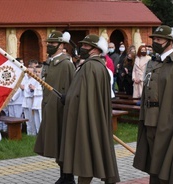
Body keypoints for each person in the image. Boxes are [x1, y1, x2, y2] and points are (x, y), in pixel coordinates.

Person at [133, 25, 173, 184]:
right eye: (154, 39)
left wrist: (172, 124)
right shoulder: (155, 62)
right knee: (155, 162)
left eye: (159, 39)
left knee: (167, 163)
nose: (155, 42)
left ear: (171, 42)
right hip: (150, 120)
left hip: (167, 122)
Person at [59, 34, 120, 184]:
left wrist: (68, 98)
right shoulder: (97, 65)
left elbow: (82, 95)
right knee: (97, 151)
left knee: (85, 154)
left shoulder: (90, 66)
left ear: (95, 49)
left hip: (86, 118)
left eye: (86, 46)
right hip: (92, 115)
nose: (83, 48)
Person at [34, 31, 75, 184]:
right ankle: (63, 174)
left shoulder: (66, 64)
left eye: (52, 44)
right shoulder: (50, 63)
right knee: (56, 142)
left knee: (63, 142)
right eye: (48, 43)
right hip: (50, 107)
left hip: (61, 110)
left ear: (61, 45)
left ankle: (68, 176)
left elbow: (71, 87)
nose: (49, 46)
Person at [31, 64, 43, 134]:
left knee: (41, 119)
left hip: (41, 102)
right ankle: (38, 133)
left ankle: (42, 133)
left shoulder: (44, 80)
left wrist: (34, 89)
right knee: (36, 119)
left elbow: (43, 91)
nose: (37, 74)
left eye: (39, 72)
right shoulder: (35, 80)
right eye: (36, 72)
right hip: (35, 102)